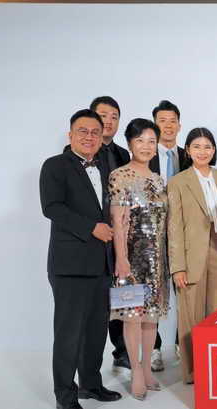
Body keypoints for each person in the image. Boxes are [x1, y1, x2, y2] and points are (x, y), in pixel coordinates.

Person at [40, 109, 121, 409]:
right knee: (69, 334)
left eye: (95, 132)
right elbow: (52, 207)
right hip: (70, 265)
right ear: (70, 134)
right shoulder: (55, 166)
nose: (89, 137)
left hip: (102, 263)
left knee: (96, 330)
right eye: (83, 131)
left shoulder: (105, 167)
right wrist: (91, 228)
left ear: (101, 137)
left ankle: (91, 384)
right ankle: (65, 397)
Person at [109, 118, 170, 401]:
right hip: (131, 260)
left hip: (157, 261)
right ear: (130, 144)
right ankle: (135, 370)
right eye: (140, 141)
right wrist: (121, 259)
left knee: (151, 318)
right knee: (132, 317)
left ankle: (147, 368)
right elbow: (118, 222)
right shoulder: (119, 176)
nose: (146, 146)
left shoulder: (158, 180)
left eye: (151, 141)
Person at [168, 128, 217, 384]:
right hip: (190, 256)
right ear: (188, 150)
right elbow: (174, 227)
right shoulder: (177, 182)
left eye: (207, 146)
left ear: (214, 150)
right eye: (196, 146)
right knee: (191, 316)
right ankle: (193, 372)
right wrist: (177, 267)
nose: (202, 151)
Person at [88, 96, 133, 371]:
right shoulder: (82, 153)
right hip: (95, 235)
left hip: (122, 233)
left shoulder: (123, 154)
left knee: (124, 291)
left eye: (114, 116)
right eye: (103, 115)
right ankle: (91, 363)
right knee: (98, 299)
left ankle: (124, 350)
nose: (108, 121)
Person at [148, 99, 191, 372]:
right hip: (151, 235)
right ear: (155, 125)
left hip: (182, 234)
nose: (168, 126)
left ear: (179, 125)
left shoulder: (189, 155)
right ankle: (153, 348)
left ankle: (180, 343)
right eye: (162, 121)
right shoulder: (145, 155)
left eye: (172, 121)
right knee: (153, 291)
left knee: (184, 291)